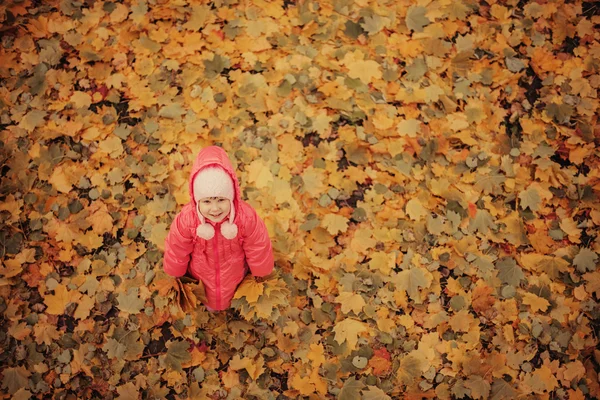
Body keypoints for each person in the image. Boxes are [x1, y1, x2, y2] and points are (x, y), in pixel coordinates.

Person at [163, 146, 274, 311]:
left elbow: (258, 246)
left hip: (235, 273)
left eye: (221, 200)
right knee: (209, 296)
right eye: (207, 202)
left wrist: (261, 272)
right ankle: (210, 306)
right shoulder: (187, 220)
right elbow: (176, 248)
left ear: (232, 197)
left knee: (232, 291)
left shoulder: (245, 218)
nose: (215, 209)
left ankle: (232, 304)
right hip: (202, 273)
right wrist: (176, 272)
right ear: (197, 201)